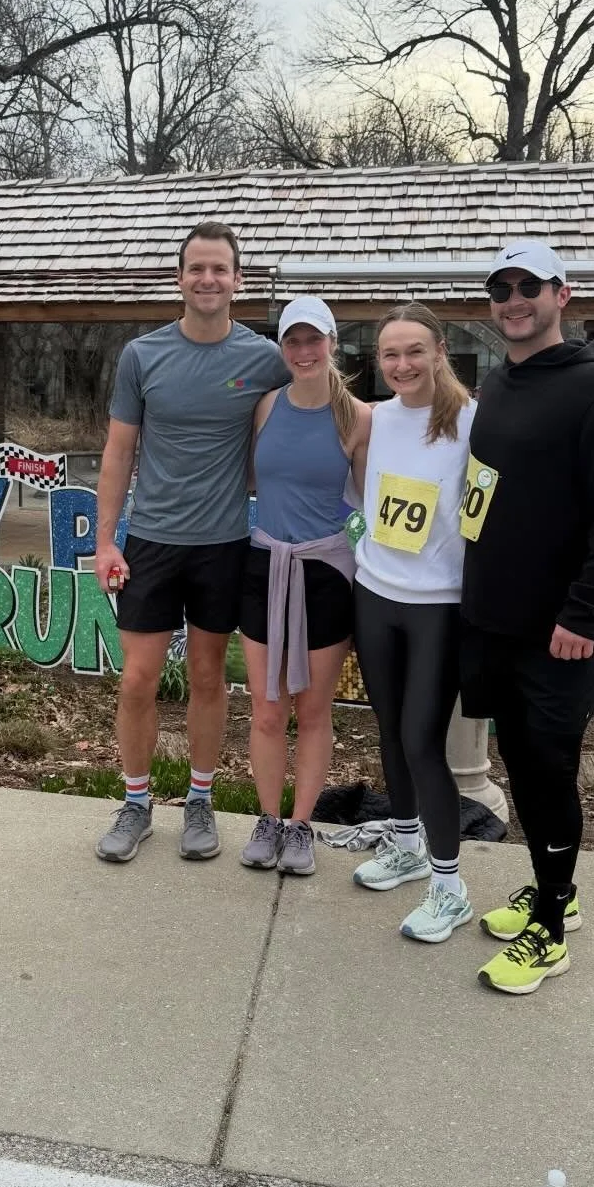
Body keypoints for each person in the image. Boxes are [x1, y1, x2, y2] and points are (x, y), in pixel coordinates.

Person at [462, 240, 594, 994]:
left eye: (528, 286)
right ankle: (553, 892)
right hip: (495, 621)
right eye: (501, 287)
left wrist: (586, 613)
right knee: (521, 764)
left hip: (559, 631)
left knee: (550, 771)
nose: (514, 299)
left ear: (561, 295)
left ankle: (549, 931)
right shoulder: (502, 385)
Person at [92, 221, 292, 863]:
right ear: (180, 278)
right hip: (151, 543)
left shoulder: (265, 358)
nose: (208, 279)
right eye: (196, 268)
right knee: (138, 680)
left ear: (238, 279)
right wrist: (106, 541)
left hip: (226, 543)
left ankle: (201, 802)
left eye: (220, 269)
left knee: (209, 676)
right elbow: (120, 451)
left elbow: (317, 414)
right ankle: (136, 803)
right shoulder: (142, 356)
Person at [349, 305, 478, 943]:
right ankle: (405, 843)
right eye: (390, 355)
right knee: (389, 731)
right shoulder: (376, 418)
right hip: (375, 593)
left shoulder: (474, 422)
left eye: (414, 352)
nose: (402, 365)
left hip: (439, 606)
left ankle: (450, 888)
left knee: (423, 741)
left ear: (440, 351)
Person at [239, 298, 371, 877]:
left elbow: (369, 505)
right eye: (292, 341)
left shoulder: (359, 418)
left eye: (313, 340)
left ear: (332, 343)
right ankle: (268, 820)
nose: (303, 352)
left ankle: (300, 826)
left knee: (314, 711)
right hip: (265, 564)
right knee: (267, 710)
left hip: (325, 573)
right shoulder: (266, 406)